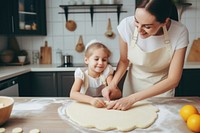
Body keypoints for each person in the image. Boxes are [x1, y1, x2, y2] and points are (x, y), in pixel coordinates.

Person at [102, 0, 189, 110]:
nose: (139, 30)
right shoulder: (126, 25)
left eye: (147, 26)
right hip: (132, 88)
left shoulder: (179, 32)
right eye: (136, 21)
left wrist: (133, 99)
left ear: (164, 22)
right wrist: (112, 84)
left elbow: (173, 79)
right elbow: (124, 61)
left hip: (162, 92)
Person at [70, 40, 121, 108]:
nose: (100, 63)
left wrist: (111, 93)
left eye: (104, 60)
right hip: (85, 105)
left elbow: (118, 93)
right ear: (86, 60)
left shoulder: (107, 73)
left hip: (102, 106)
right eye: (96, 59)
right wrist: (91, 100)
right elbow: (73, 94)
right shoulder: (81, 74)